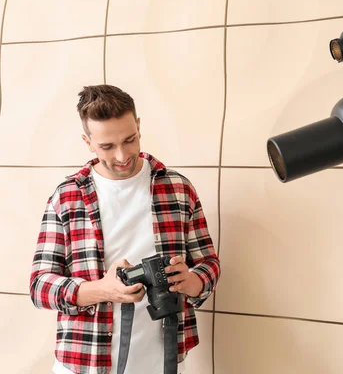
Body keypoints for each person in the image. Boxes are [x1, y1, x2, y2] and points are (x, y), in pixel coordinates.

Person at [29, 84, 221, 374]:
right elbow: (39, 286)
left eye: (130, 140)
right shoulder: (67, 196)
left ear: (139, 126)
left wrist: (192, 282)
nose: (122, 155)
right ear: (88, 141)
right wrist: (101, 290)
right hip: (84, 361)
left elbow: (209, 264)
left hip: (162, 360)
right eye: (107, 146)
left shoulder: (178, 189)